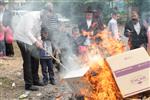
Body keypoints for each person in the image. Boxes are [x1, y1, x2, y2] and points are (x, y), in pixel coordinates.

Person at [15, 11, 45, 91]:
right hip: (22, 38)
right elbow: (27, 32)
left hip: (30, 40)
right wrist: (36, 42)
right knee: (28, 61)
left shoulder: (42, 19)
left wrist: (39, 40)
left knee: (35, 58)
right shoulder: (31, 17)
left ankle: (35, 80)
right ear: (43, 12)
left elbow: (37, 31)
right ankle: (28, 84)